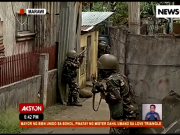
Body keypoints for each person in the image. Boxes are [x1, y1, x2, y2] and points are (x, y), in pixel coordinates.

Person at [92, 54, 139, 134]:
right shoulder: (121, 76)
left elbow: (115, 98)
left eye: (101, 69)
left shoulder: (112, 79)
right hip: (130, 113)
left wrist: (102, 90)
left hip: (123, 116)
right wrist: (103, 90)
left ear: (105, 68)